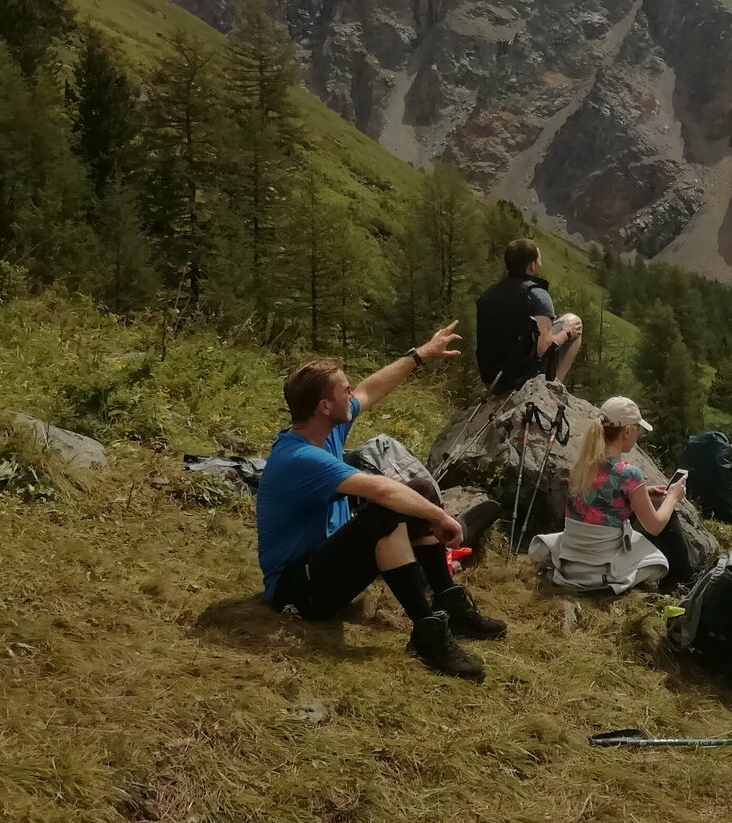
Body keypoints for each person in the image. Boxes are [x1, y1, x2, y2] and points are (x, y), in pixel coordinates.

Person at [256, 322, 508, 680]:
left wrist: (420, 355)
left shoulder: (324, 428)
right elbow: (380, 490)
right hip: (297, 594)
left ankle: (449, 601)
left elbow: (372, 389)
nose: (352, 394)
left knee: (417, 489)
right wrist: (441, 516)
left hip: (323, 565)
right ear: (325, 406)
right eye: (345, 390)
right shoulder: (300, 458)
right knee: (385, 514)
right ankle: (428, 634)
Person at [528, 396, 692, 592]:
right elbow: (654, 526)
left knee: (647, 507)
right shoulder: (628, 474)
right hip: (601, 568)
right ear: (627, 431)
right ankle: (685, 579)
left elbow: (601, 497)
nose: (638, 434)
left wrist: (643, 492)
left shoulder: (581, 466)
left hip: (570, 561)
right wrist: (673, 496)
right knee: (659, 557)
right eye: (637, 429)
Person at [475, 238, 583, 392]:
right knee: (573, 321)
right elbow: (543, 349)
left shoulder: (488, 295)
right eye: (539, 259)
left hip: (491, 379)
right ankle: (550, 390)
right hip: (519, 381)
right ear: (531, 266)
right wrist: (566, 333)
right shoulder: (537, 295)